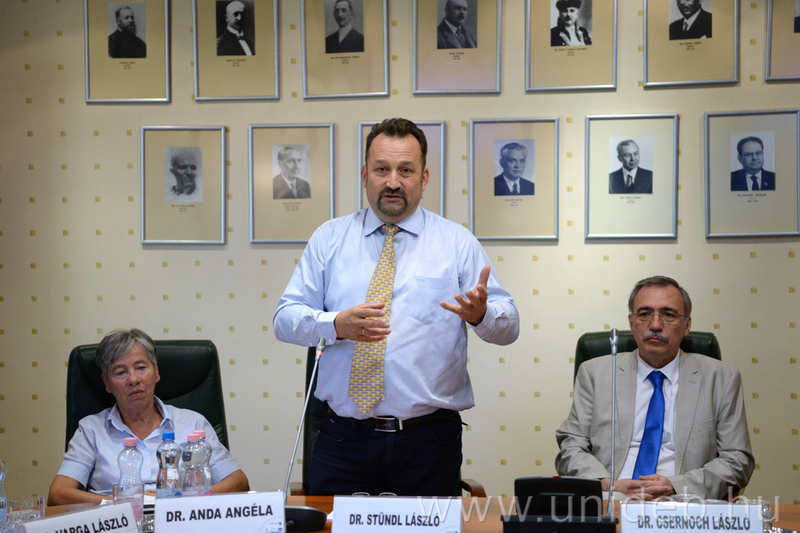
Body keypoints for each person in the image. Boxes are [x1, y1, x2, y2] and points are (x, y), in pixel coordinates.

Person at [274, 118, 519, 497]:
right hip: (344, 441)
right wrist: (335, 324)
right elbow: (284, 319)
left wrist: (482, 315)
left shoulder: (456, 243)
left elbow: (510, 327)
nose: (392, 182)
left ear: (424, 178)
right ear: (364, 175)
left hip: (428, 443)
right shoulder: (329, 239)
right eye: (382, 170)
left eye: (405, 170)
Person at [555, 276, 755, 501]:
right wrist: (606, 485)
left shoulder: (721, 379)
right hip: (611, 500)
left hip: (682, 502)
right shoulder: (594, 373)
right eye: (644, 314)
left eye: (668, 315)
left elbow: (737, 460)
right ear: (631, 322)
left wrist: (675, 486)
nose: (656, 325)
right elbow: (571, 447)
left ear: (687, 325)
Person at [48, 329, 249, 504]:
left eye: (141, 368)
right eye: (120, 372)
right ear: (106, 383)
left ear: (156, 372)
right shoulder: (91, 430)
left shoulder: (193, 422)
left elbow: (238, 483)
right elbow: (58, 494)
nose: (133, 379)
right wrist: (121, 504)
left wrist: (184, 498)